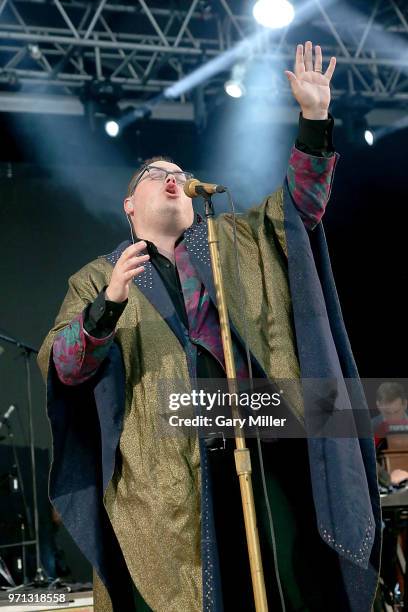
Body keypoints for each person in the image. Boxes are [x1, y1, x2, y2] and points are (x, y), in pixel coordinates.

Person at [37, 42, 381, 612]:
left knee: (286, 579)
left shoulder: (237, 239)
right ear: (129, 204)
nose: (174, 178)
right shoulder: (97, 276)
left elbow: (302, 208)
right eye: (157, 174)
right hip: (165, 471)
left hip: (263, 441)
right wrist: (108, 304)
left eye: (182, 172)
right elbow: (64, 366)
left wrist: (315, 119)